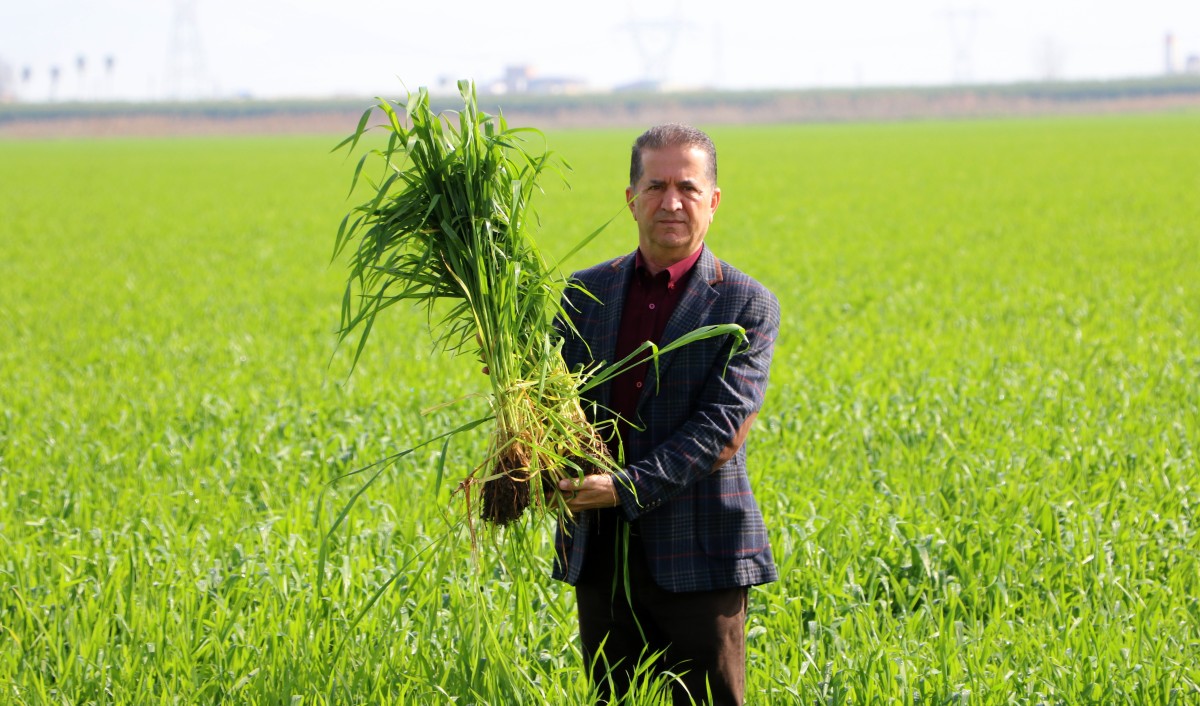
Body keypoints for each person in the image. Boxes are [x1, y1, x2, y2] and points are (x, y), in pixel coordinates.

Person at [552, 123, 780, 706]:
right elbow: (554, 404)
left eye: (688, 187)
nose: (671, 202)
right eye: (655, 187)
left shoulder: (744, 303)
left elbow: (721, 429)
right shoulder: (583, 294)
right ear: (631, 198)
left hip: (699, 554)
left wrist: (623, 487)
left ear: (714, 201)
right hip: (600, 554)